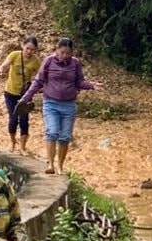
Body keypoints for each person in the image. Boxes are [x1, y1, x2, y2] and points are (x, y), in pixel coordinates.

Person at [17, 38, 102, 174]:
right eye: (62, 52)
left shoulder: (75, 63)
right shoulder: (48, 61)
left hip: (69, 105)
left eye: (68, 53)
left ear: (71, 53)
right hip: (51, 103)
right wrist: (26, 97)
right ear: (57, 50)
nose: (64, 56)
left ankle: (60, 166)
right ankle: (50, 164)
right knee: (52, 132)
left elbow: (80, 81)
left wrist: (92, 85)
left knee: (65, 136)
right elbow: (38, 82)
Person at [0, 36, 41, 154]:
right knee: (13, 118)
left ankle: (22, 147)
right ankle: (12, 142)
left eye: (32, 50)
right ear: (23, 46)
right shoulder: (14, 55)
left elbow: (40, 76)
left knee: (24, 120)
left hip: (25, 94)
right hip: (10, 92)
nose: (29, 52)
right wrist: (1, 71)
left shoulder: (36, 61)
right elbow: (5, 65)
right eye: (27, 49)